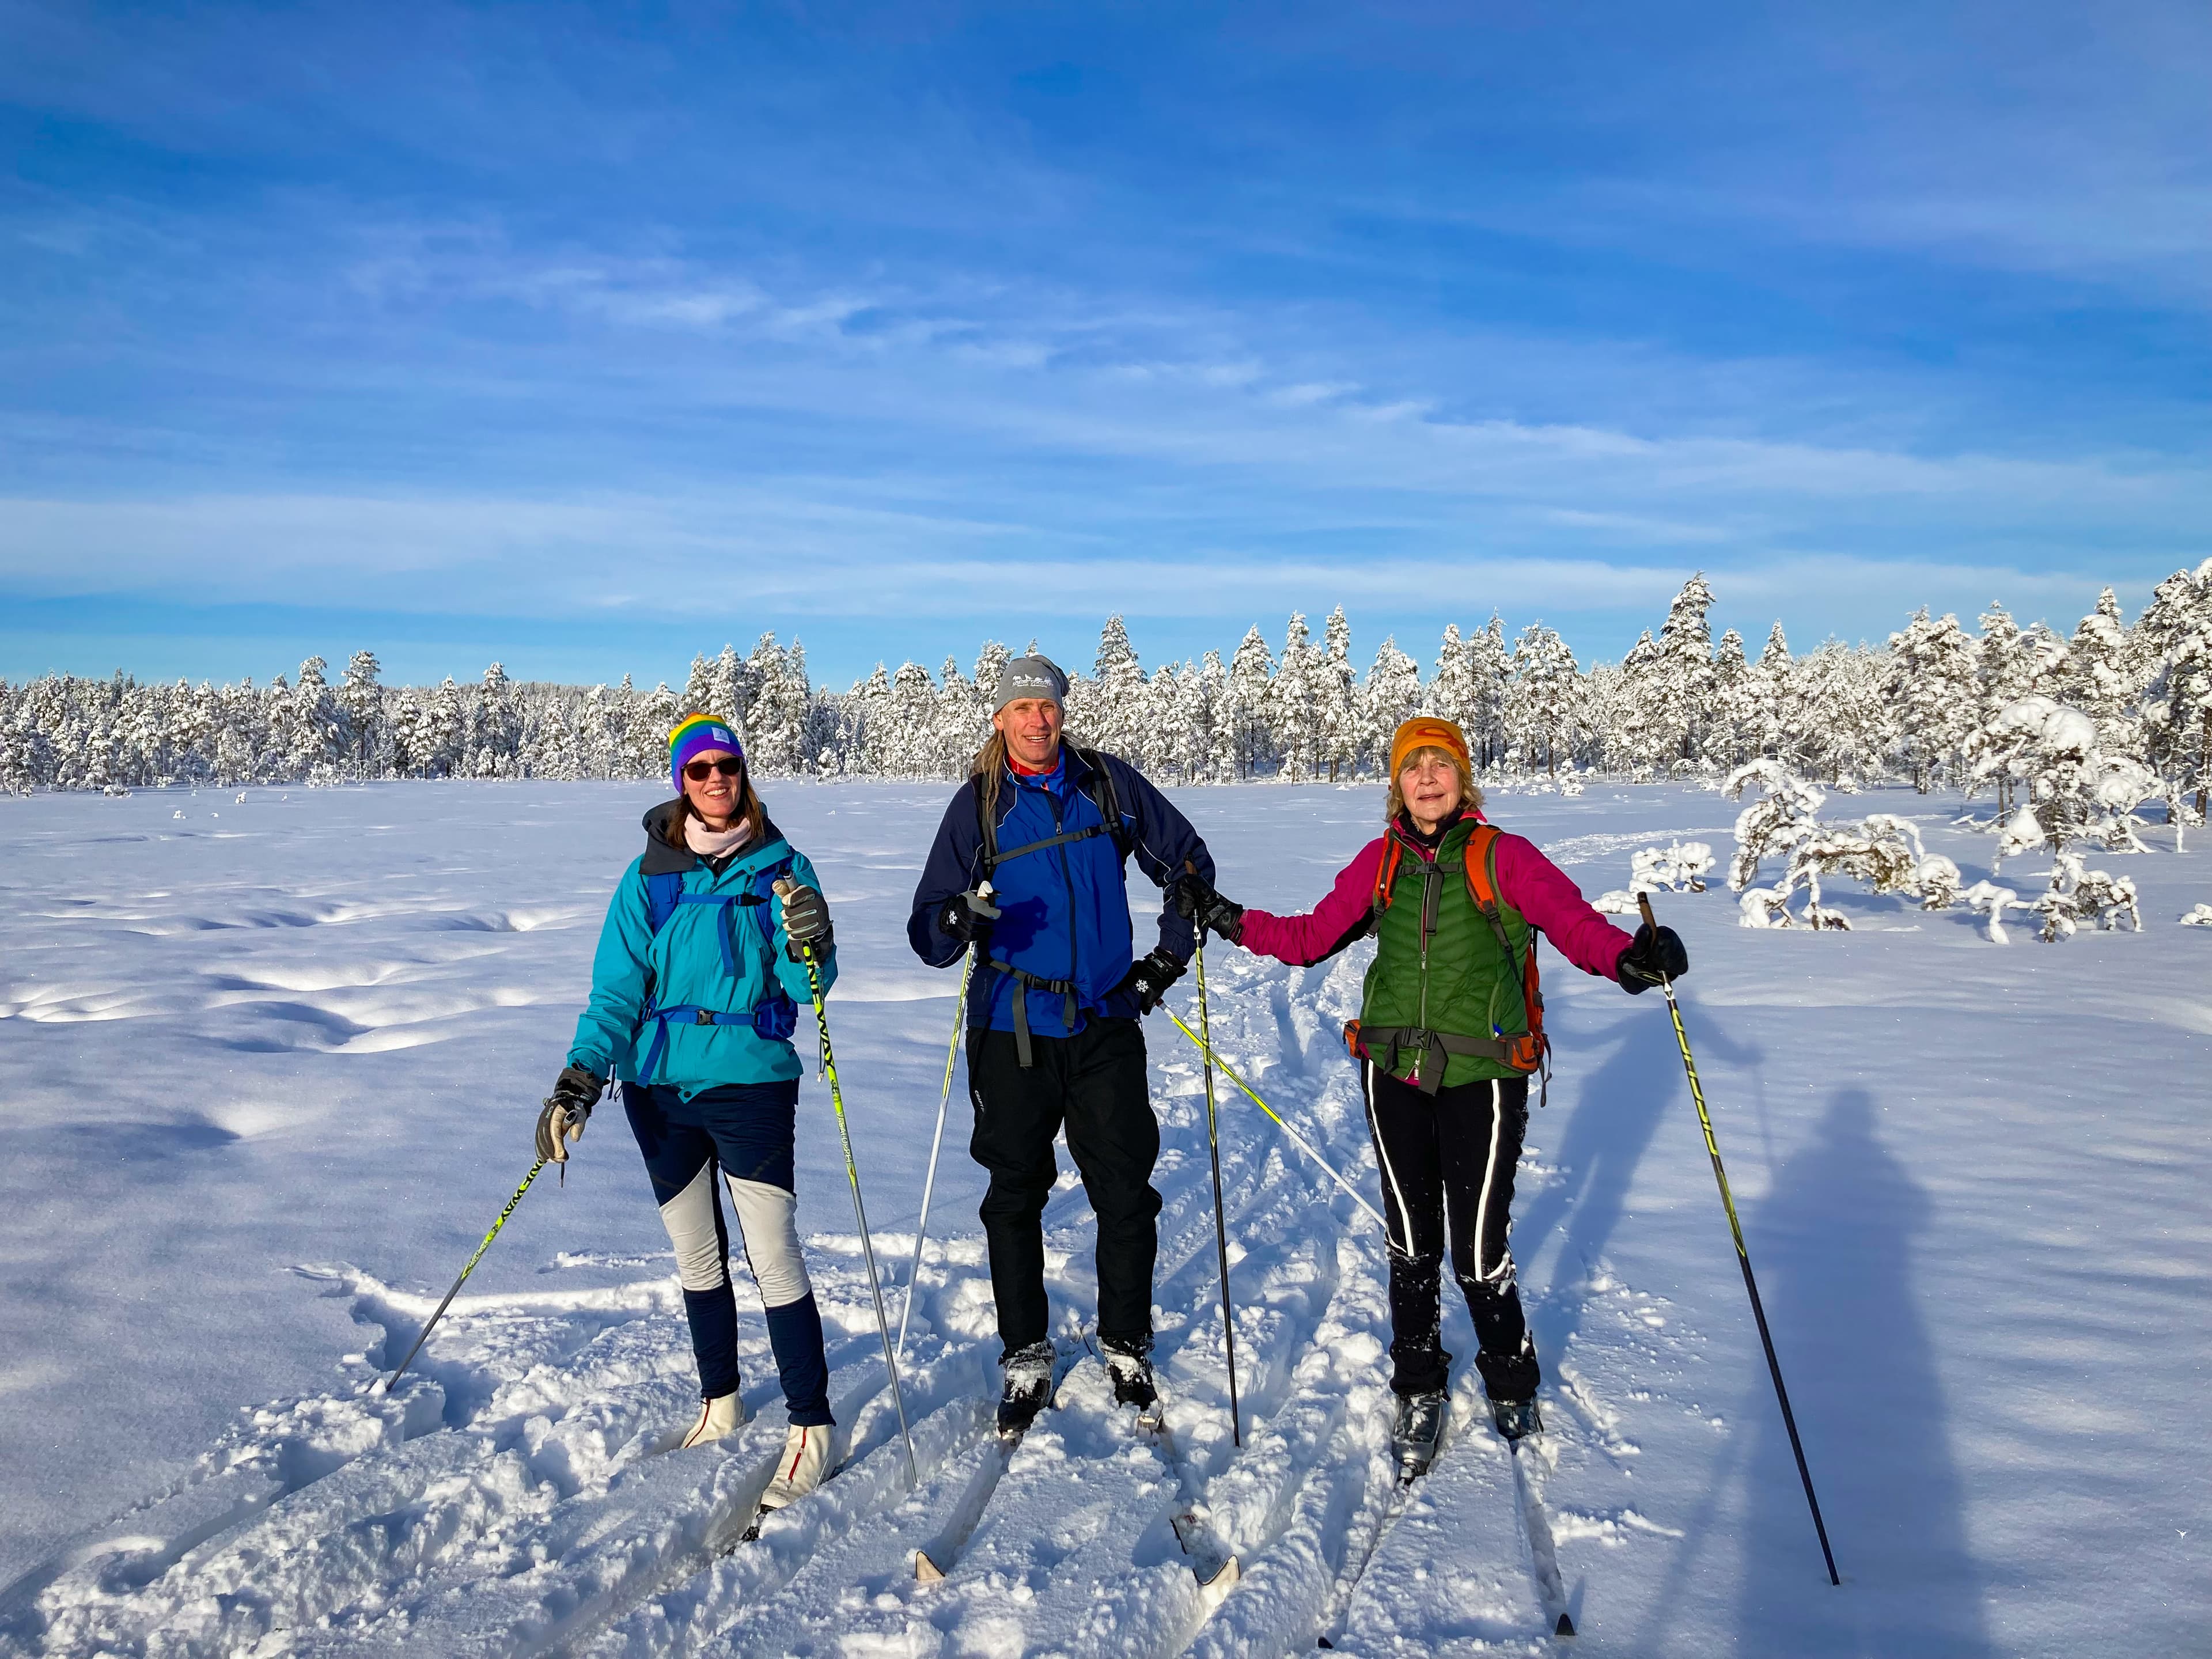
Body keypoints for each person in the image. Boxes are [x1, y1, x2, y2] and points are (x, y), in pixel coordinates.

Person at [1170, 715, 1686, 1468]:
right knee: (1412, 1241)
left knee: (1477, 1252)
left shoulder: (1504, 858)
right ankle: (1418, 1385)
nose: (1428, 778)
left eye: (1441, 764)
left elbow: (1576, 927)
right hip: (1394, 1076)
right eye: (1414, 767)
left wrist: (1633, 959)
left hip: (1486, 1077)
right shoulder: (1381, 864)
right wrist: (1228, 920)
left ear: (1463, 777)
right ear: (1397, 783)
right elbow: (1311, 936)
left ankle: (1510, 1376)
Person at [537, 713, 842, 1512]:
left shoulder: (783, 867)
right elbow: (616, 991)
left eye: (727, 766)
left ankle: (812, 1425)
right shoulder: (649, 879)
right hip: (657, 1089)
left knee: (772, 1255)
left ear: (744, 774)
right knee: (697, 1257)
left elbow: (811, 985)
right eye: (699, 769)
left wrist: (809, 941)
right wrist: (580, 1075)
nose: (715, 780)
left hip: (751, 1082)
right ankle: (722, 1402)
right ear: (681, 781)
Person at [907, 654, 1218, 1435]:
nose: (1036, 721)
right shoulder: (979, 805)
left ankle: (1126, 1342)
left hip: (1106, 1020)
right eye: (1021, 710)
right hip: (1011, 1030)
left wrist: (1168, 958)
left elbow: (1187, 864)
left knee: (1125, 1191)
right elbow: (928, 931)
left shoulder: (1106, 785)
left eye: (1047, 708)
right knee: (1014, 1194)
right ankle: (1025, 1353)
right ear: (1000, 719)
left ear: (1061, 713)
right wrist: (958, 921)